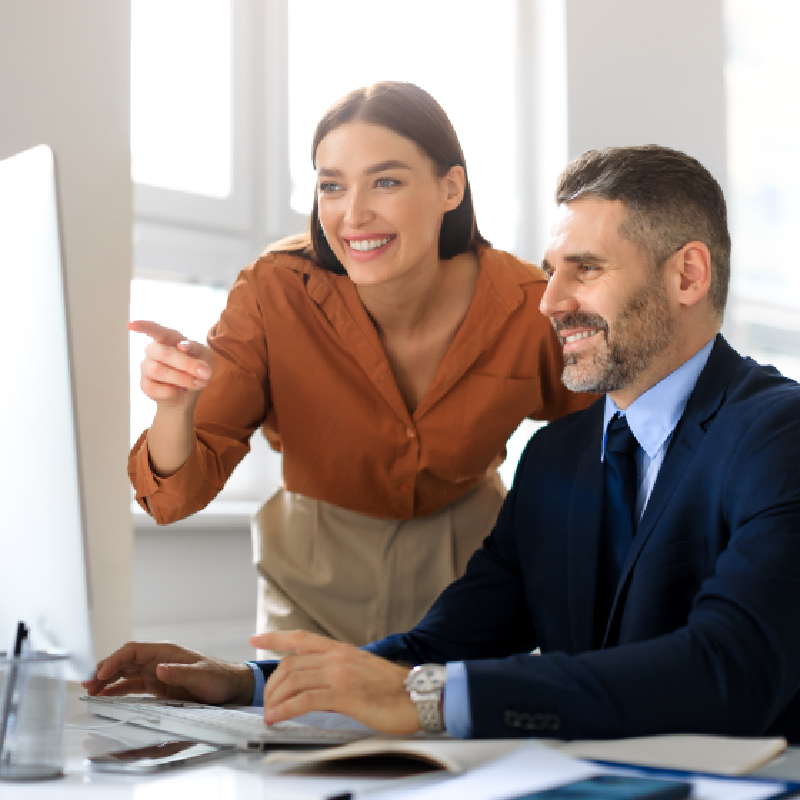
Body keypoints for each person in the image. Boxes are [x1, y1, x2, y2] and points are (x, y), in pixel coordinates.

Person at [88, 144, 800, 742]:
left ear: (688, 275)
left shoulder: (778, 435)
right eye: (551, 271)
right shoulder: (558, 457)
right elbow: (443, 646)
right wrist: (251, 683)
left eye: (584, 269)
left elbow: (727, 670)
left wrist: (426, 700)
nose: (549, 301)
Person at [128, 81, 590, 650]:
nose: (353, 215)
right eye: (332, 186)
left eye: (387, 181)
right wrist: (175, 408)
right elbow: (175, 497)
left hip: (471, 581)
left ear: (451, 188)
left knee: (461, 736)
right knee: (310, 737)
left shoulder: (527, 302)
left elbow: (607, 446)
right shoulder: (274, 292)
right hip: (312, 582)